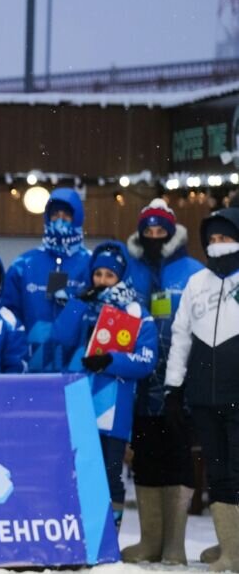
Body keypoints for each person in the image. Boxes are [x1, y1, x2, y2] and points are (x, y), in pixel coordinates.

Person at [52, 241, 157, 532]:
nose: (102, 281)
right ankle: (76, 536)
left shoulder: (137, 312)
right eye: (97, 274)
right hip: (79, 399)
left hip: (114, 406)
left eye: (109, 276)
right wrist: (78, 303)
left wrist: (110, 361)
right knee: (77, 472)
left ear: (120, 277)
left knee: (110, 474)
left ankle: (109, 539)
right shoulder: (84, 304)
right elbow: (60, 337)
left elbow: (146, 359)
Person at [121, 199, 203, 565]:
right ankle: (150, 540)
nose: (154, 237)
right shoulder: (128, 271)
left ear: (172, 233)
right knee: (145, 459)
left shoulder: (194, 273)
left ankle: (175, 544)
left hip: (180, 385)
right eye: (148, 231)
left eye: (161, 231)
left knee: (179, 458)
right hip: (139, 385)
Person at [165, 207, 239, 573]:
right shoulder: (197, 282)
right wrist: (173, 386)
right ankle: (230, 545)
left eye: (224, 238)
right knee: (218, 472)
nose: (217, 245)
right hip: (204, 397)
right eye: (211, 239)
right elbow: (181, 336)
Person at [2, 187, 92, 372]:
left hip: (78, 369)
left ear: (77, 218)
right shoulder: (24, 264)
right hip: (31, 369)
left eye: (66, 215)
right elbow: (9, 317)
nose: (60, 220)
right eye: (55, 214)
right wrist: (18, 360)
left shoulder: (91, 265)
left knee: (76, 402)